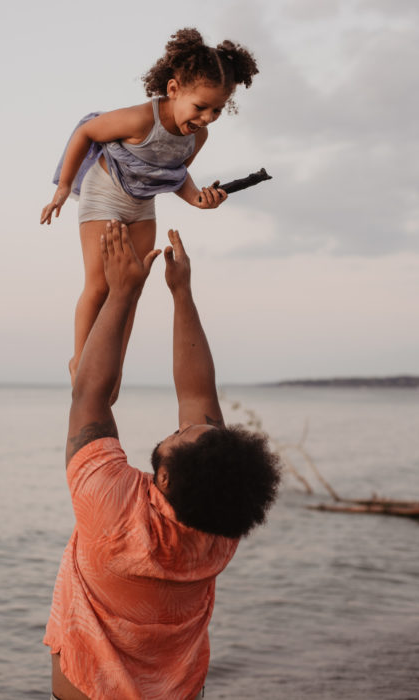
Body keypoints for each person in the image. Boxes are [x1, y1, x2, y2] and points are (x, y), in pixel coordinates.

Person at [43, 220, 280, 700]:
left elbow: (89, 394)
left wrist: (124, 292)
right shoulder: (219, 527)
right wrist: (181, 293)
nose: (182, 424)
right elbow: (197, 392)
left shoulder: (112, 508)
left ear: (164, 478)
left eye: (180, 434)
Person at [40, 28, 259, 399]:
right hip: (105, 193)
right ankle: (80, 360)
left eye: (217, 110)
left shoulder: (196, 137)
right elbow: (86, 132)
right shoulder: (142, 119)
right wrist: (63, 187)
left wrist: (198, 199)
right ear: (174, 90)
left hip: (142, 203)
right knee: (100, 282)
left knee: (131, 287)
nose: (207, 117)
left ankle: (112, 366)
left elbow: (174, 175)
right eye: (200, 106)